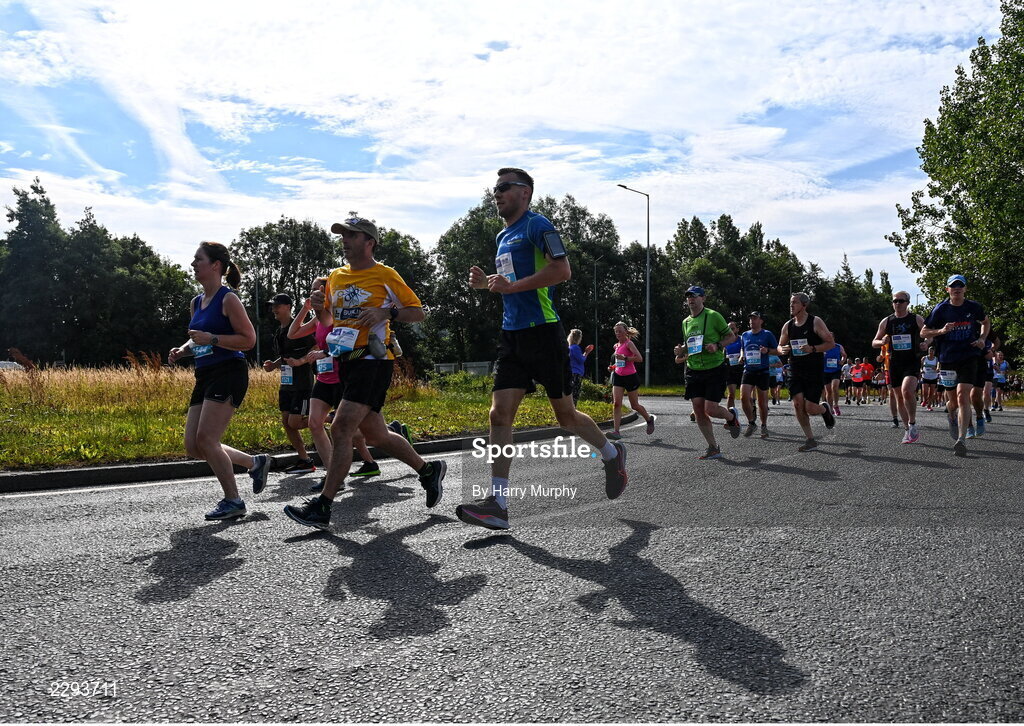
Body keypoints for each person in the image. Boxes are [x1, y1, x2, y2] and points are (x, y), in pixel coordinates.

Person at [455, 168, 627, 531]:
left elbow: (562, 270)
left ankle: (611, 454)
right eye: (494, 188)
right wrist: (487, 284)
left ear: (525, 192)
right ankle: (498, 504)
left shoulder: (538, 226)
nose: (496, 193)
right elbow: (510, 283)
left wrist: (510, 288)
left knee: (565, 417)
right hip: (512, 336)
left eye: (503, 187)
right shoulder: (502, 236)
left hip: (544, 333)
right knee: (499, 415)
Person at [282, 217, 446, 529]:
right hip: (347, 362)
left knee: (341, 428)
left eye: (351, 235)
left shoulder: (385, 274)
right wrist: (318, 307)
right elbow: (329, 322)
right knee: (376, 434)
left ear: (369, 242)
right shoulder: (336, 276)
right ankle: (427, 470)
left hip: (374, 359)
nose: (344, 240)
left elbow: (418, 312)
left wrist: (388, 312)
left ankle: (323, 506)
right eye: (342, 235)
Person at [168, 241, 267, 521]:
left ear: (215, 266)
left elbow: (249, 340)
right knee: (193, 446)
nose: (193, 264)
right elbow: (197, 337)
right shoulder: (196, 302)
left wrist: (212, 339)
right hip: (205, 373)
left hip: (229, 370)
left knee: (207, 439)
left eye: (198, 259)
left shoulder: (229, 299)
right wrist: (183, 350)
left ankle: (233, 500)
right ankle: (254, 463)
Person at [287, 281, 383, 492]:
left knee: (362, 429)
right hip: (323, 378)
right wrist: (305, 308)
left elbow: (351, 342)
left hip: (343, 377)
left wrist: (325, 353)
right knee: (314, 423)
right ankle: (334, 476)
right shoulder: (319, 319)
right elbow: (292, 334)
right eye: (312, 289)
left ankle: (394, 433)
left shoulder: (339, 315)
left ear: (329, 291)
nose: (314, 292)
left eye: (318, 289)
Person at [921, 274, 990, 456]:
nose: (957, 289)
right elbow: (923, 332)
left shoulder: (974, 307)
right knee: (952, 401)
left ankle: (961, 439)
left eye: (960, 286)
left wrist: (982, 338)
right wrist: (941, 331)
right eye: (953, 286)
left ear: (965, 289)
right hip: (947, 358)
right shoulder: (941, 309)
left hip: (969, 356)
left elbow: (985, 322)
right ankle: (951, 414)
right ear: (948, 289)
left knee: (962, 396)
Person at [673, 285, 740, 460]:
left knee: (710, 409)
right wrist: (681, 350)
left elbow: (731, 337)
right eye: (688, 296)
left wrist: (717, 345)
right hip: (694, 369)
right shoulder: (685, 322)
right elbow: (690, 345)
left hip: (714, 368)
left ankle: (731, 417)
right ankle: (713, 447)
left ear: (703, 298)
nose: (691, 299)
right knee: (698, 409)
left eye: (695, 296)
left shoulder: (713, 316)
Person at [263, 293, 317, 473]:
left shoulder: (299, 328)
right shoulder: (280, 331)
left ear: (288, 307)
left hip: (302, 383)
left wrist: (302, 360)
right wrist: (274, 364)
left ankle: (332, 419)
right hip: (287, 383)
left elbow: (317, 346)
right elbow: (286, 356)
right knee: (286, 422)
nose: (274, 309)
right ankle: (305, 459)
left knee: (294, 422)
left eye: (277, 306)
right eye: (272, 306)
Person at [777, 292, 836, 451]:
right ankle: (810, 439)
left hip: (813, 370)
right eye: (790, 303)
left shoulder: (815, 322)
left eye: (794, 303)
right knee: (797, 404)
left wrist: (813, 348)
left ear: (804, 305)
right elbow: (779, 346)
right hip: (795, 369)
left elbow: (830, 343)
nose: (791, 305)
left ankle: (824, 410)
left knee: (810, 408)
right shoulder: (788, 325)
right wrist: (782, 349)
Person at [872, 292, 925, 443]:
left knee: (907, 390)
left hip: (911, 361)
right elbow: (873, 342)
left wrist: (926, 343)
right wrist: (882, 341)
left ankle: (912, 423)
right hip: (894, 363)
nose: (898, 303)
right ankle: (907, 430)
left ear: (907, 303)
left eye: (901, 301)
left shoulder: (916, 318)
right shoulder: (887, 321)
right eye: (895, 301)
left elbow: (929, 333)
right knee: (899, 397)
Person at [607, 322, 655, 439]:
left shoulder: (629, 344)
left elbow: (639, 358)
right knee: (616, 404)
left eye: (620, 331)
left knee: (634, 405)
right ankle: (616, 432)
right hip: (618, 376)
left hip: (630, 377)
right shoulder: (616, 346)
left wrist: (626, 358)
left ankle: (649, 419)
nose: (618, 333)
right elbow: (618, 363)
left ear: (626, 332)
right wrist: (612, 367)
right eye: (616, 331)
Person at [739, 311, 778, 439]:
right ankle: (751, 422)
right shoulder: (744, 335)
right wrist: (741, 355)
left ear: (761, 321)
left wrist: (767, 350)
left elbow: (777, 350)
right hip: (749, 370)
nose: (752, 321)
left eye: (755, 318)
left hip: (762, 371)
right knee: (744, 397)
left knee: (762, 402)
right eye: (750, 319)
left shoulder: (767, 334)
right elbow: (742, 348)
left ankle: (764, 425)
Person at [566, 328, 594, 406]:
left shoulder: (569, 348)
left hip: (570, 372)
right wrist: (587, 352)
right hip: (576, 373)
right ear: (578, 338)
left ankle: (569, 411)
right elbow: (581, 360)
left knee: (570, 394)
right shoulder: (576, 348)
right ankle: (573, 411)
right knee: (575, 394)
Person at [822, 341, 846, 417]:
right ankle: (830, 408)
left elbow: (844, 355)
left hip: (836, 370)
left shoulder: (838, 346)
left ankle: (836, 406)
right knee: (828, 391)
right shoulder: (822, 346)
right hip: (825, 371)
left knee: (834, 387)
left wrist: (842, 361)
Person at [723, 321, 744, 411]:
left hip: (742, 368)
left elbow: (747, 349)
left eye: (732, 328)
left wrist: (742, 355)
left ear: (737, 329)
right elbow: (722, 353)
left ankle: (752, 408)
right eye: (728, 329)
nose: (730, 330)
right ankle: (731, 417)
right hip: (730, 368)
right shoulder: (725, 341)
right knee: (731, 394)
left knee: (745, 395)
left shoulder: (742, 339)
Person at [921, 346, 940, 411]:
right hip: (925, 376)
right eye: (930, 351)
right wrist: (921, 370)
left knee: (931, 393)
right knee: (925, 392)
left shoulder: (936, 359)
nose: (931, 352)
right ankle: (924, 400)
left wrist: (937, 369)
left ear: (934, 352)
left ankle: (929, 406)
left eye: (932, 351)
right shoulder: (924, 358)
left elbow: (938, 367)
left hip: (933, 377)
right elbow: (920, 366)